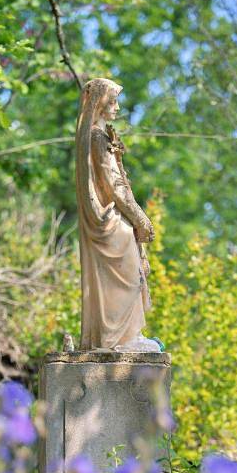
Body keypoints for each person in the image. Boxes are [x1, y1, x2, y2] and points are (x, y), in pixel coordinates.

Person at [75, 78, 162, 352]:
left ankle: (124, 336)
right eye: (111, 101)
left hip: (107, 220)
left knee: (124, 274)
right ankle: (122, 339)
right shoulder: (97, 137)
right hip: (111, 223)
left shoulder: (95, 135)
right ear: (99, 103)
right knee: (124, 275)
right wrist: (140, 218)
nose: (117, 107)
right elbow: (113, 186)